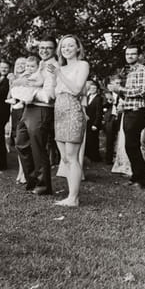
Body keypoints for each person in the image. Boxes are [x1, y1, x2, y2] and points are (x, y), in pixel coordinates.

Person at [46, 35, 89, 206]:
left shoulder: (82, 65)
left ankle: (74, 197)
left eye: (71, 46)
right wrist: (52, 77)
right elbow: (52, 94)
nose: (67, 49)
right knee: (64, 157)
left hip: (72, 110)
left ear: (78, 48)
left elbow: (77, 89)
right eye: (64, 46)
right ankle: (72, 196)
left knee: (72, 156)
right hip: (59, 111)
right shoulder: (60, 68)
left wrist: (59, 74)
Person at [15, 36, 58, 195]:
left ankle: (43, 186)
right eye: (42, 48)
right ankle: (32, 180)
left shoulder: (53, 66)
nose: (44, 50)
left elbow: (49, 94)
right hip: (28, 108)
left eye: (48, 48)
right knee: (21, 143)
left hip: (41, 109)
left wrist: (29, 92)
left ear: (54, 50)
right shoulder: (39, 64)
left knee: (38, 147)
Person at [108, 45, 145, 189]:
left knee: (132, 145)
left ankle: (143, 180)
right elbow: (130, 94)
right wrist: (117, 93)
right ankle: (136, 176)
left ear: (139, 55)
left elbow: (142, 91)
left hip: (137, 112)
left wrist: (119, 89)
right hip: (129, 111)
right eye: (128, 54)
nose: (130, 56)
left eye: (133, 54)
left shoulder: (143, 70)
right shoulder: (131, 72)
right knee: (130, 146)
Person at [84, 80, 103, 162]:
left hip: (94, 122)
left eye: (94, 88)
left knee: (94, 140)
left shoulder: (99, 98)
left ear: (97, 89)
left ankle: (95, 157)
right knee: (87, 139)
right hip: (87, 122)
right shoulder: (87, 97)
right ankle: (88, 155)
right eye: (91, 88)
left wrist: (95, 124)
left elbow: (99, 112)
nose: (92, 89)